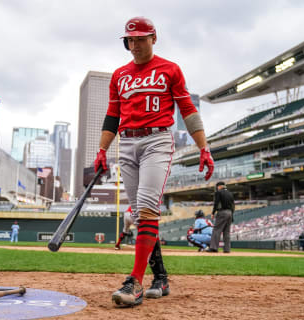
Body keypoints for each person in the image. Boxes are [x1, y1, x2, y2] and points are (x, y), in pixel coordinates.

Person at [94, 16, 214, 307]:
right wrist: (101, 150)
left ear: (153, 38)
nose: (134, 45)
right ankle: (160, 277)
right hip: (127, 142)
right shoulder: (119, 75)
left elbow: (187, 109)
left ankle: (134, 282)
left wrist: (203, 147)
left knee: (147, 209)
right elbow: (112, 116)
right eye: (129, 40)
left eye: (140, 39)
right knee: (140, 214)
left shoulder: (169, 69)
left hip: (157, 140)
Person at [207, 181, 234, 253]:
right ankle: (227, 249)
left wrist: (213, 212)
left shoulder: (218, 192)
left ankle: (213, 248)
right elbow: (233, 205)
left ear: (219, 186)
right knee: (226, 232)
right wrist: (232, 215)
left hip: (222, 212)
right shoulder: (230, 193)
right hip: (230, 212)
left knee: (216, 230)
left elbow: (216, 203)